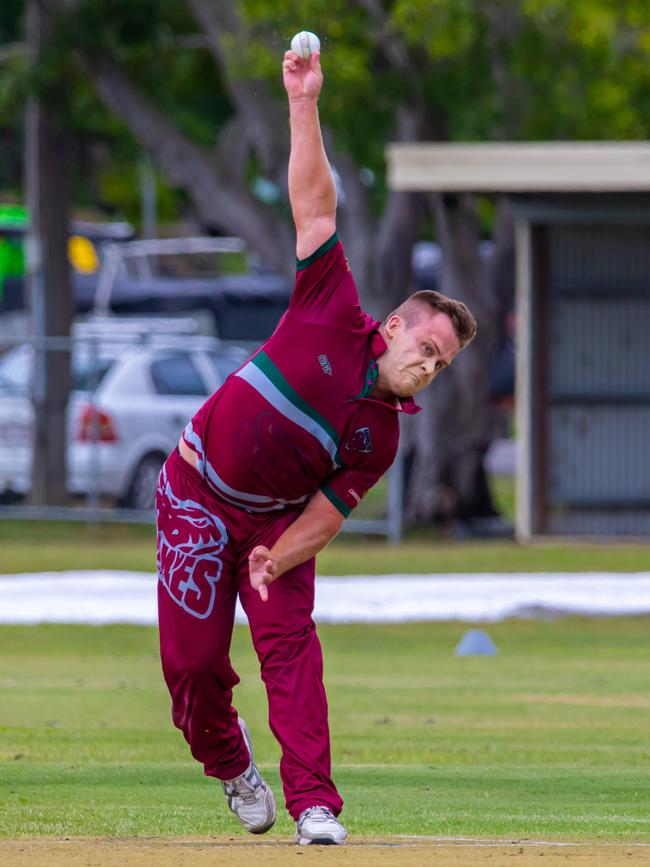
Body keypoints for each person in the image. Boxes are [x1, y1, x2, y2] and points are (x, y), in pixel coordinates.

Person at [155, 46, 477, 847]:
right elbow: (315, 207)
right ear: (394, 325)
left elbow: (328, 514)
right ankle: (233, 768)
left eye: (442, 364)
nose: (428, 365)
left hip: (274, 526)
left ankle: (314, 805)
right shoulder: (332, 304)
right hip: (196, 491)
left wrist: (275, 559)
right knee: (192, 665)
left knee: (291, 650)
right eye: (426, 347)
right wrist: (304, 102)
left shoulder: (382, 435)